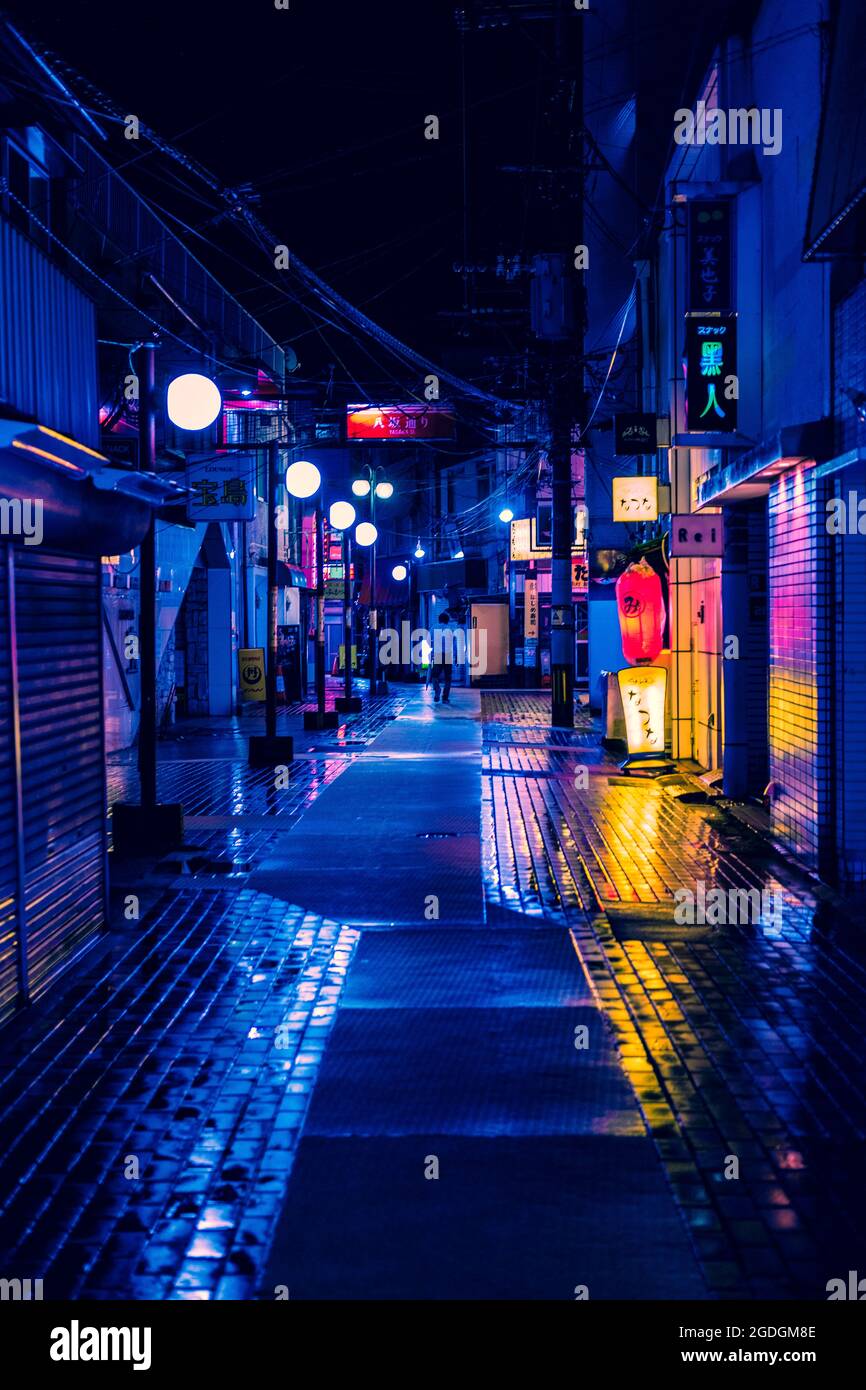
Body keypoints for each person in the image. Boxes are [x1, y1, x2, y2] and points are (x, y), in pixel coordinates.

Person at [432, 612, 454, 704]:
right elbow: (454, 644)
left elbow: (428, 641)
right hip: (448, 655)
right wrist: (456, 656)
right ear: (447, 620)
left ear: (439, 619)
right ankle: (445, 698)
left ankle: (437, 690)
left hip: (437, 654)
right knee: (448, 678)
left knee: (434, 675)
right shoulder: (450, 629)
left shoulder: (434, 627)